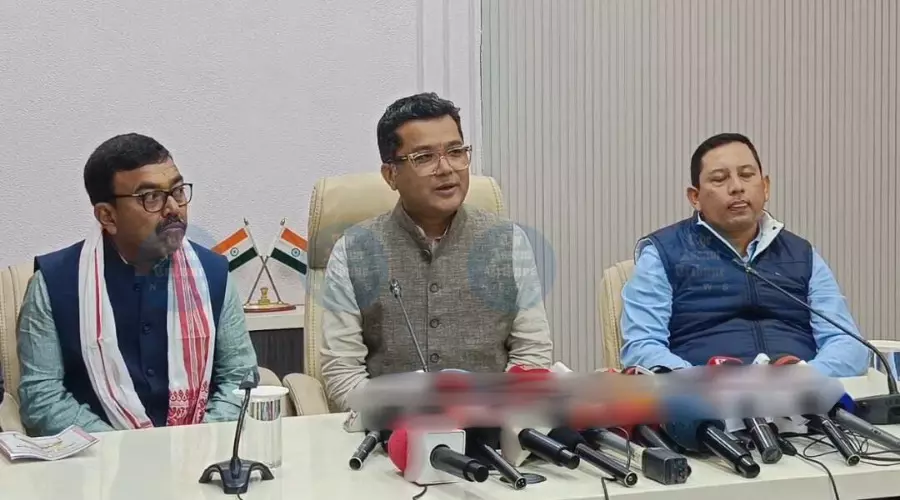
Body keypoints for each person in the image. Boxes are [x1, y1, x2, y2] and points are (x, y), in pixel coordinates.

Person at [320, 92, 553, 411]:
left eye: (456, 152)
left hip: (492, 427)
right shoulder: (354, 250)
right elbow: (342, 372)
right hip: (389, 429)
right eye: (424, 157)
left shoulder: (508, 241)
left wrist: (494, 414)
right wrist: (396, 416)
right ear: (391, 175)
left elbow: (532, 353)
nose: (446, 169)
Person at [17, 133, 258, 436]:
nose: (173, 208)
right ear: (107, 216)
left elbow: (240, 378)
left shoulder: (213, 275)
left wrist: (197, 440)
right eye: (151, 197)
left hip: (201, 453)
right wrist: (126, 448)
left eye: (178, 191)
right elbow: (42, 398)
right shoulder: (54, 284)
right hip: (97, 458)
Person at [620, 133, 867, 377]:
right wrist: (702, 385)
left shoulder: (802, 254)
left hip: (802, 394)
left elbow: (848, 344)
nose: (737, 187)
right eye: (719, 179)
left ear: (765, 187)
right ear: (695, 197)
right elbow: (642, 347)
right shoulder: (663, 253)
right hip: (704, 396)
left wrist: (803, 377)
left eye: (747, 175)